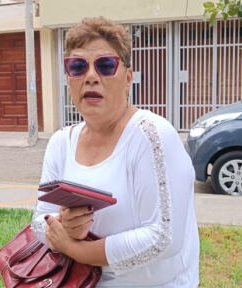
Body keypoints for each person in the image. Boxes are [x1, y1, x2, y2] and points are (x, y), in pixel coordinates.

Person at [31, 17, 200, 287]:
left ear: (128, 78)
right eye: (77, 67)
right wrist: (60, 225)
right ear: (68, 79)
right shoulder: (61, 142)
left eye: (106, 66)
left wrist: (76, 249)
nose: (90, 77)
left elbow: (163, 238)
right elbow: (39, 221)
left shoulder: (151, 134)